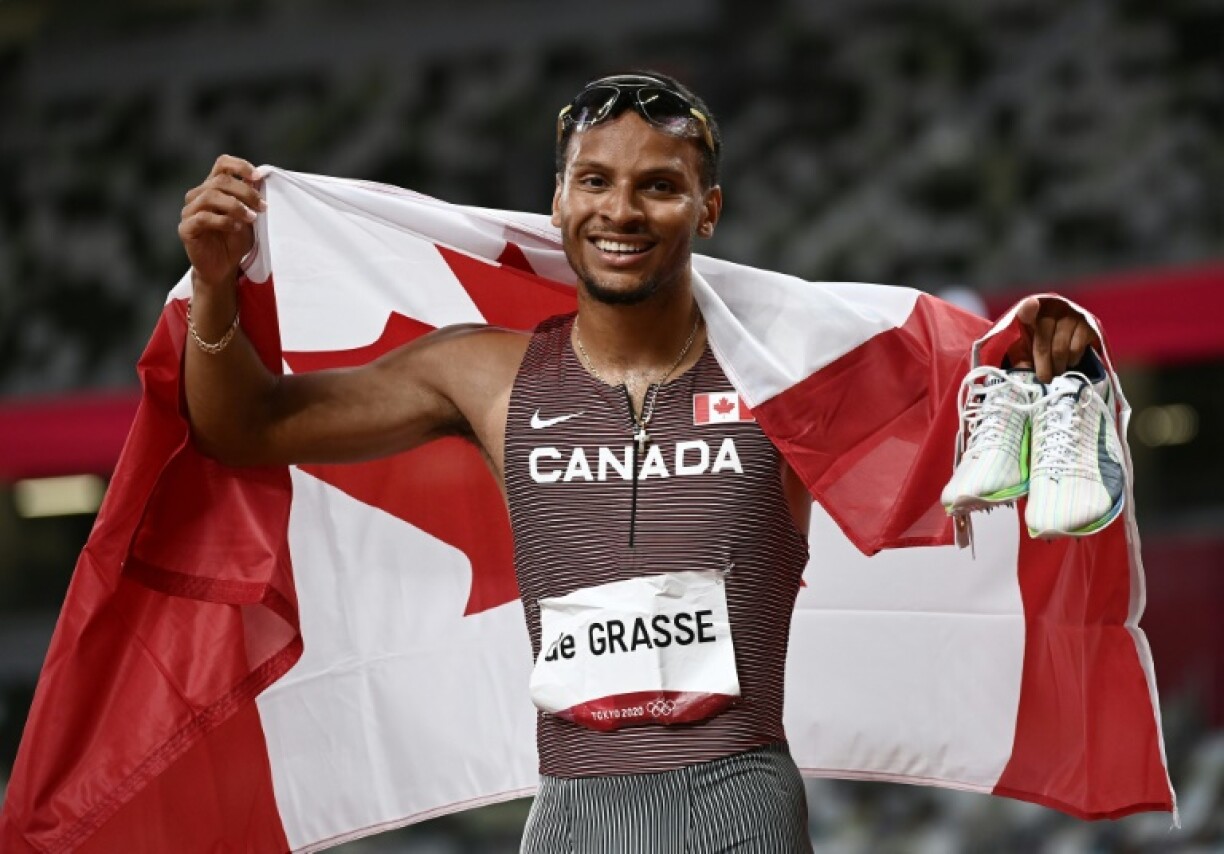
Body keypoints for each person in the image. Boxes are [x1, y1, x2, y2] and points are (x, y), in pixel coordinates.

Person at [179, 72, 1098, 853]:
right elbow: (247, 427)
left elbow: (977, 380)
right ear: (559, 200)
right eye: (595, 181)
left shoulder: (785, 373)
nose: (621, 209)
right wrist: (217, 286)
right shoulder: (481, 374)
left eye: (659, 185)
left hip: (740, 803)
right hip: (574, 813)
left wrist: (1049, 340)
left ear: (708, 210)